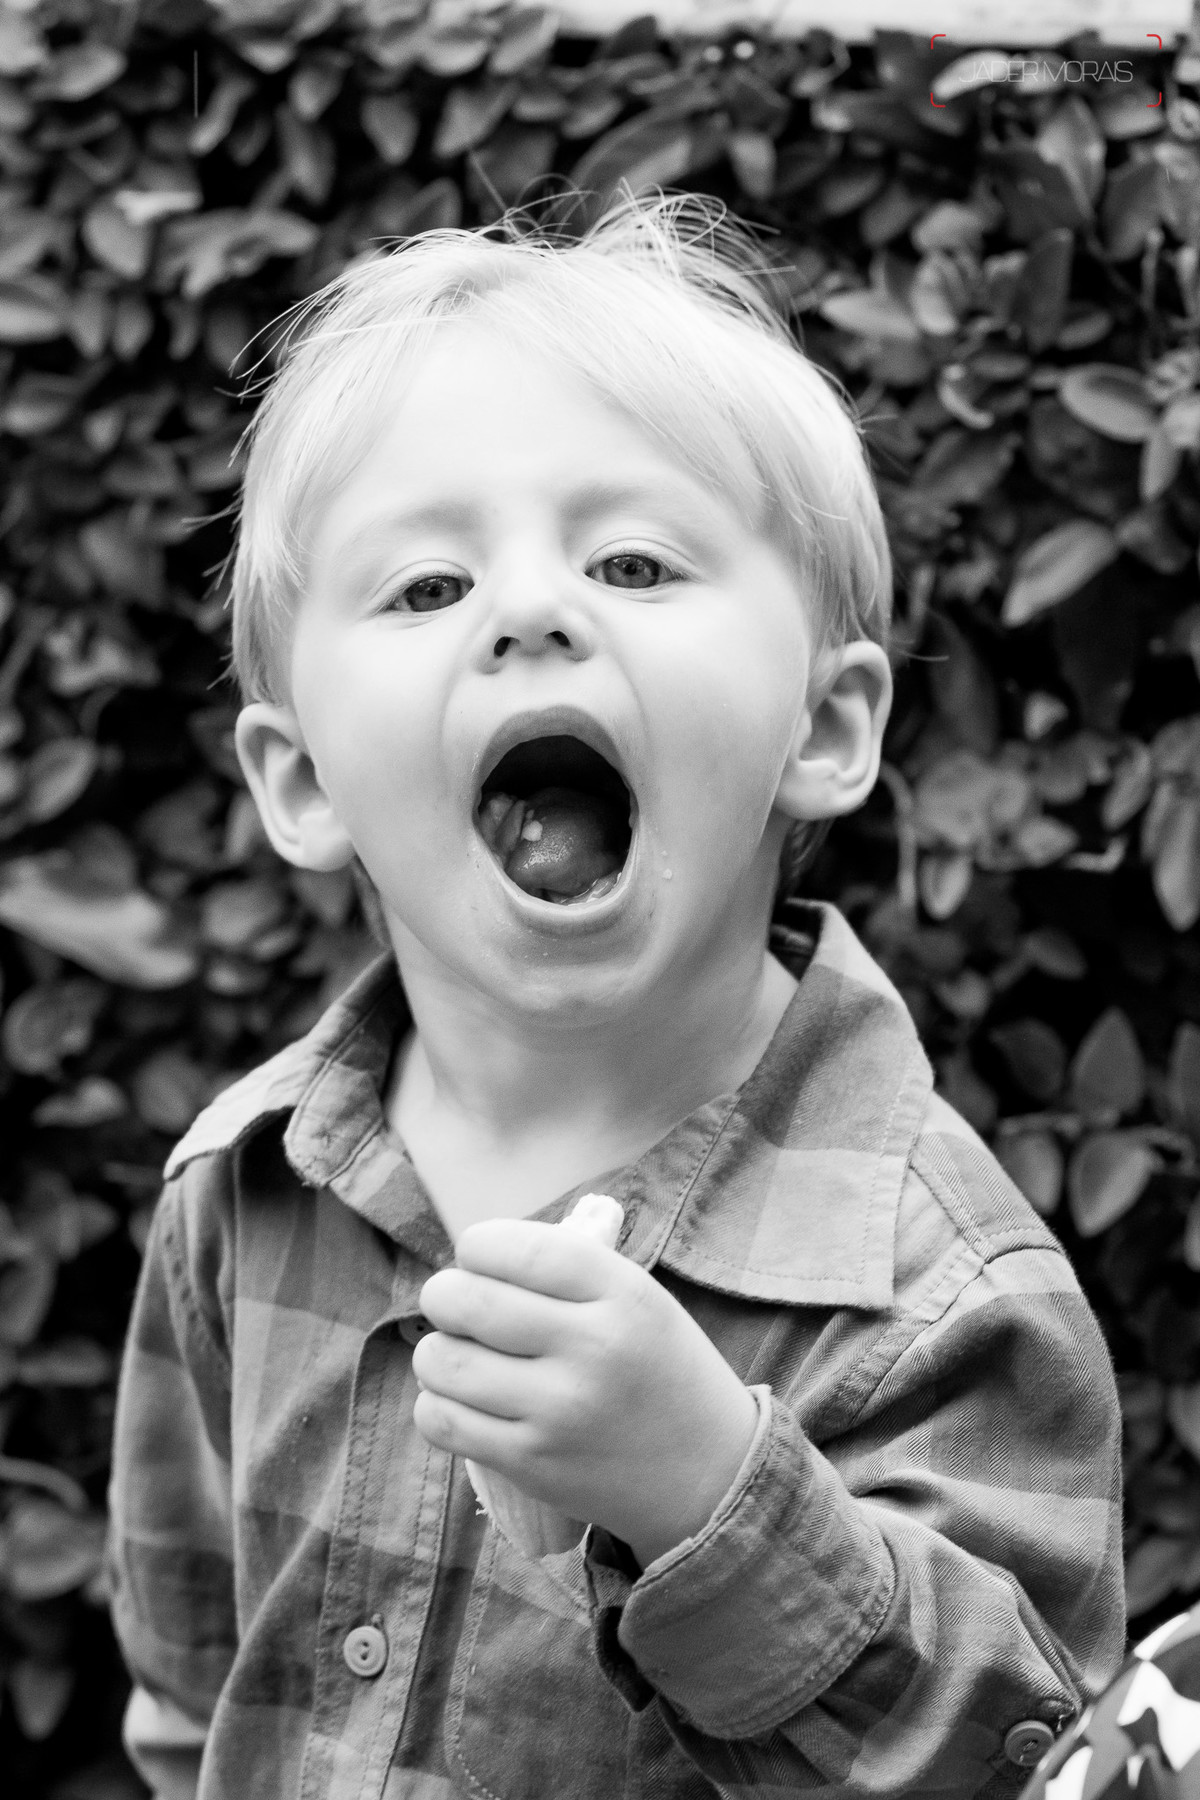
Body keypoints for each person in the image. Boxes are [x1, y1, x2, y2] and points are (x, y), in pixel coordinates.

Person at [107, 193, 1125, 1800]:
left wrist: (707, 1491)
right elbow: (192, 1692)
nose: (530, 608)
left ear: (825, 726)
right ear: (301, 781)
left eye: (635, 561)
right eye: (427, 588)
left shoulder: (946, 1294)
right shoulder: (239, 1192)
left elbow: (1034, 1769)